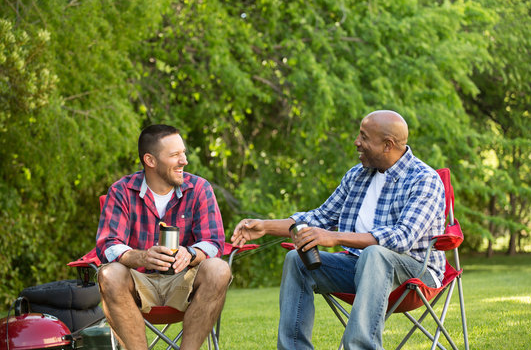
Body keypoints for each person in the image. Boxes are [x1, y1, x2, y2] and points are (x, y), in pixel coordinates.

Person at [231, 110, 446, 350]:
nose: (357, 142)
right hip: (359, 269)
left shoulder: (424, 179)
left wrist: (333, 237)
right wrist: (265, 226)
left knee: (375, 253)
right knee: (296, 259)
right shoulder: (357, 176)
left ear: (388, 145)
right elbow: (319, 218)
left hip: (415, 275)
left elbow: (401, 238)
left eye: (364, 137)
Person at [96, 124, 231, 350]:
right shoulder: (121, 191)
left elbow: (214, 242)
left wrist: (190, 254)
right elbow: (108, 245)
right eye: (175, 155)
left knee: (218, 268)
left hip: (184, 282)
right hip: (138, 283)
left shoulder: (199, 188)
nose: (184, 160)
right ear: (150, 160)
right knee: (109, 273)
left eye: (183, 153)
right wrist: (142, 258)